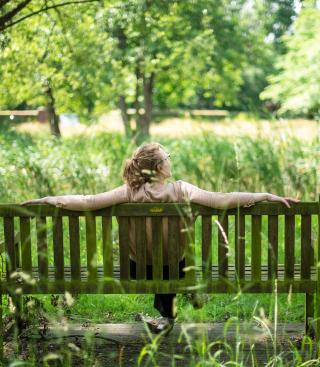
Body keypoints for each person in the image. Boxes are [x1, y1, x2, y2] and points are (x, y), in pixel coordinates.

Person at [22, 142, 300, 335]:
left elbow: (87, 201)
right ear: (158, 168)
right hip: (174, 268)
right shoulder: (181, 190)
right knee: (172, 260)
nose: (170, 161)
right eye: (167, 158)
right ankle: (174, 308)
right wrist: (263, 195)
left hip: (135, 270)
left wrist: (49, 199)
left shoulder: (128, 191)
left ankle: (166, 316)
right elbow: (222, 200)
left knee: (153, 258)